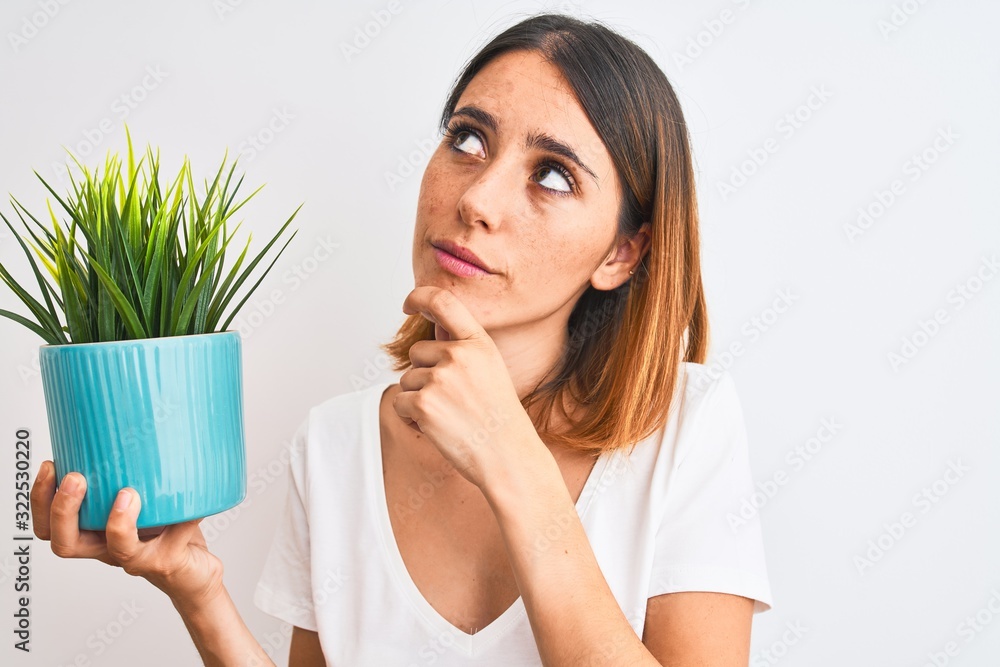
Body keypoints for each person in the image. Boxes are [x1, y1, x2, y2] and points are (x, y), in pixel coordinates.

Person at [30, 11, 773, 666]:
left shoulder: (686, 429)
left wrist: (508, 457)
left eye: (551, 176)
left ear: (622, 253)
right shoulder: (334, 445)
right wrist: (195, 588)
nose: (476, 198)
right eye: (468, 138)